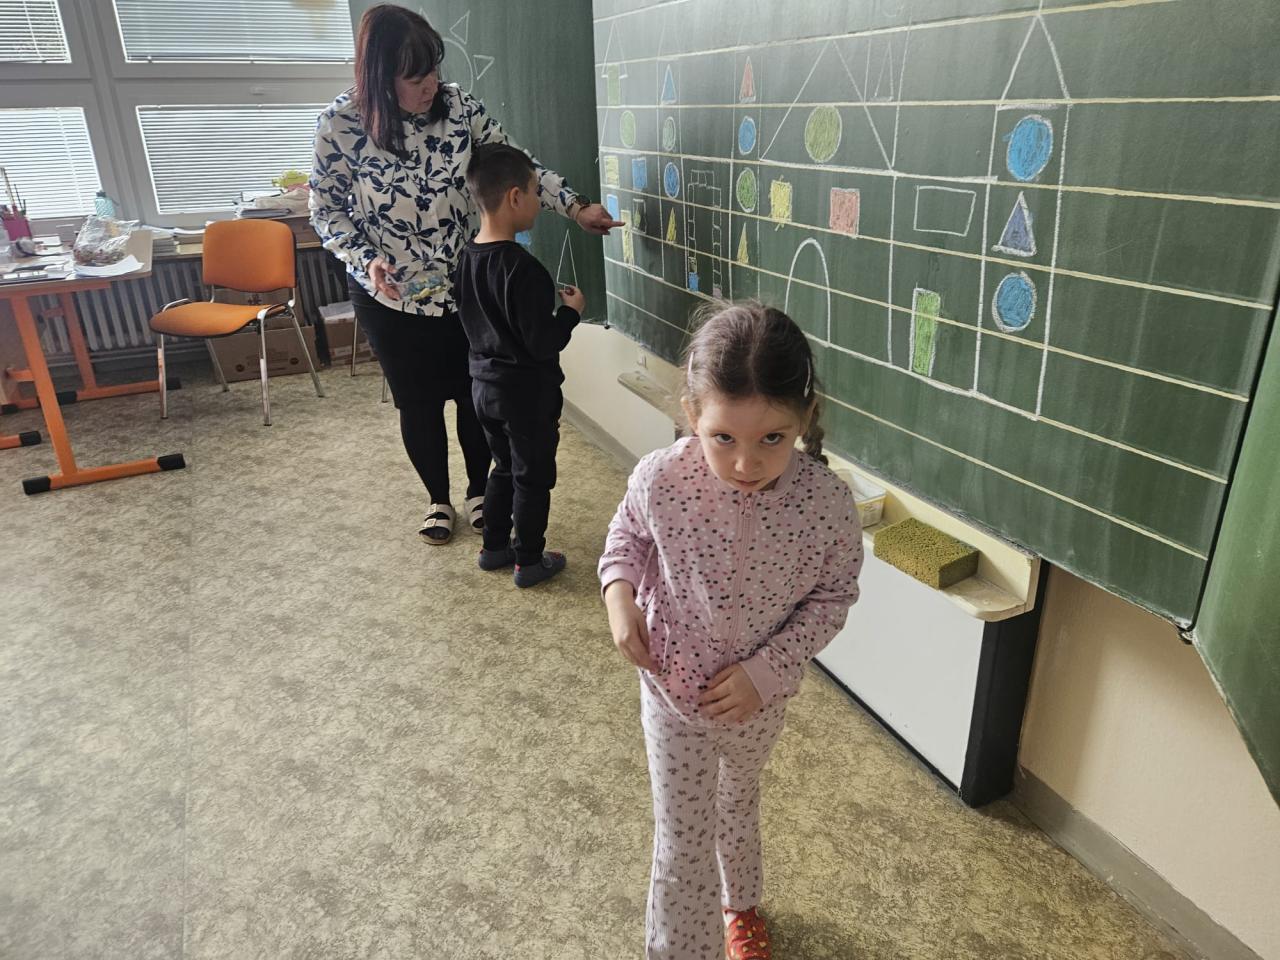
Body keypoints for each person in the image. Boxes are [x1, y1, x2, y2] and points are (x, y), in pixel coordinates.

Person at [598, 302, 863, 960]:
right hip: (672, 696)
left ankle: (740, 906)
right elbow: (626, 536)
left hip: (756, 706)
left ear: (804, 418)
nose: (746, 463)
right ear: (692, 414)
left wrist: (767, 672)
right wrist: (619, 595)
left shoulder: (827, 505)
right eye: (723, 438)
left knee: (738, 803)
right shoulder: (662, 478)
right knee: (681, 842)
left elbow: (834, 597)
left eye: (772, 438)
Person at [310, 4, 621, 545]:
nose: (430, 85)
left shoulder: (458, 108)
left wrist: (575, 207)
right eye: (415, 77)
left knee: (476, 393)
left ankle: (482, 491)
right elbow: (326, 210)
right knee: (418, 403)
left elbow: (517, 166)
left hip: (468, 287)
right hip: (391, 295)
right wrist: (365, 260)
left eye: (433, 69)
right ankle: (438, 499)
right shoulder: (340, 124)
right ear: (380, 76)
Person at [453, 144, 583, 587]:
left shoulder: (467, 258)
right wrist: (570, 314)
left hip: (483, 388)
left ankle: (494, 547)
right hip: (525, 395)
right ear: (514, 197)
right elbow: (542, 344)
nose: (539, 204)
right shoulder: (524, 269)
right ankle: (528, 560)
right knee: (532, 477)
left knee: (504, 467)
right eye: (534, 193)